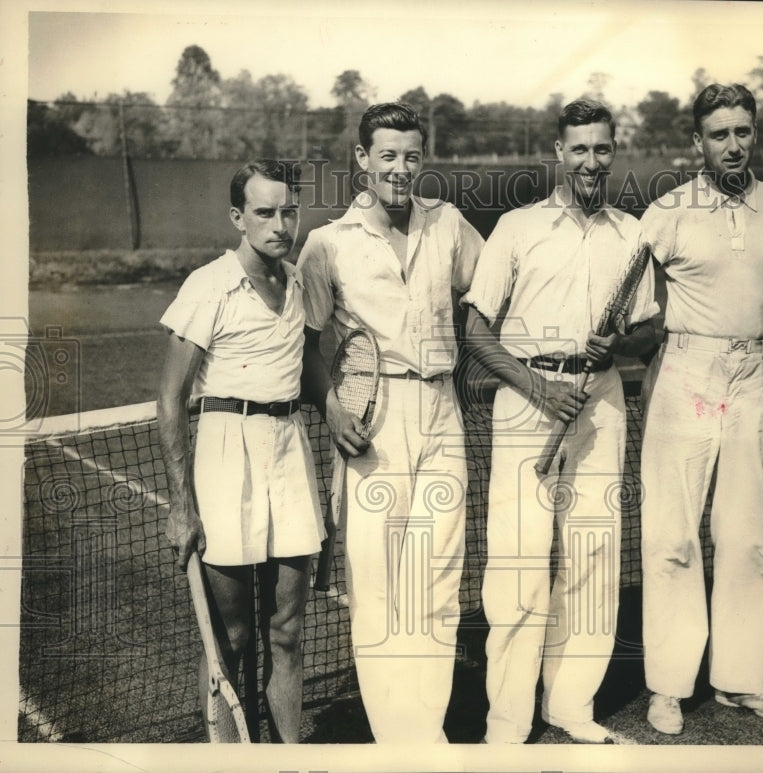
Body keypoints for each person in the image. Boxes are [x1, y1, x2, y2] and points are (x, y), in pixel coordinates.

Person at [462, 98, 659, 745]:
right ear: (558, 152)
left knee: (594, 553)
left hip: (600, 399)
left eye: (602, 148)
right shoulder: (516, 229)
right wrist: (539, 386)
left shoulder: (632, 233)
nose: (591, 161)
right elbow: (476, 332)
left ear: (613, 152)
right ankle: (508, 721)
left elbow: (649, 327)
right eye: (580, 148)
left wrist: (621, 347)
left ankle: (571, 704)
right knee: (519, 561)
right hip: (527, 399)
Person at [298, 102, 484, 744]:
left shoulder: (451, 225)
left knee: (437, 581)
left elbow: (492, 293)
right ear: (361, 159)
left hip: (441, 413)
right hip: (370, 424)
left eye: (411, 156)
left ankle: (425, 734)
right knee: (378, 589)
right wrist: (330, 408)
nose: (400, 169)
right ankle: (395, 739)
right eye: (387, 156)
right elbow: (306, 345)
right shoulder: (327, 244)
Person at [639, 83, 763, 735]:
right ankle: (668, 686)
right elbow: (636, 299)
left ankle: (743, 679)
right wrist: (691, 347)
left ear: (754, 134)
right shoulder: (669, 210)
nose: (733, 144)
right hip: (685, 371)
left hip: (754, 375)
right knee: (673, 531)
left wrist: (743, 344)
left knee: (748, 532)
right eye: (719, 134)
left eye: (743, 131)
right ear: (698, 142)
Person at [158, 159, 324, 743]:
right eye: (265, 212)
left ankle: (288, 754)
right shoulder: (207, 285)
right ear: (238, 218)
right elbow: (170, 397)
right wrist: (182, 504)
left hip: (290, 452)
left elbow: (309, 372)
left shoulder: (299, 281)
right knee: (229, 639)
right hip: (227, 456)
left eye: (288, 211)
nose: (280, 224)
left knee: (287, 629)